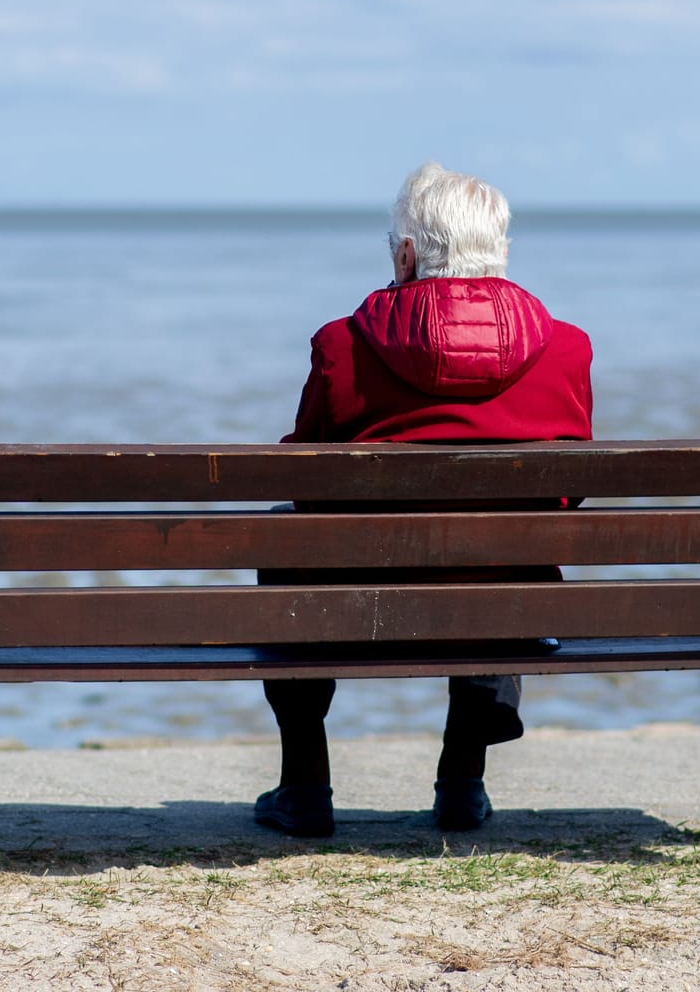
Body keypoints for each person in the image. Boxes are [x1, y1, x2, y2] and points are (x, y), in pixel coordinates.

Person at [255, 162, 594, 838]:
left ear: (408, 254)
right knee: (508, 552)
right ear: (499, 254)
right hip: (503, 607)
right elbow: (570, 488)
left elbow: (301, 477)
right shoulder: (568, 348)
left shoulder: (341, 345)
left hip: (357, 602)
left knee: (282, 537)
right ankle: (463, 784)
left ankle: (306, 787)